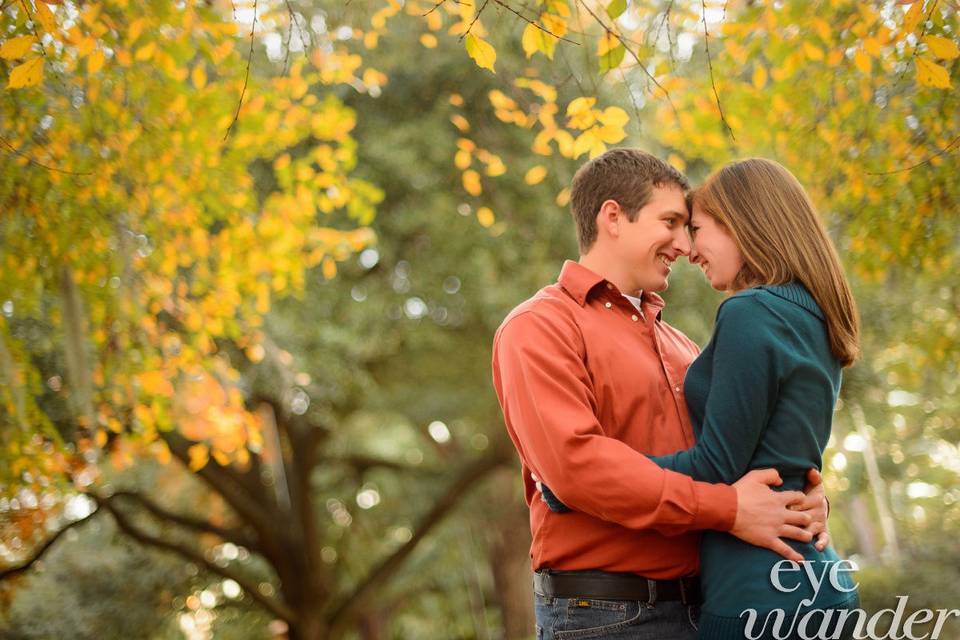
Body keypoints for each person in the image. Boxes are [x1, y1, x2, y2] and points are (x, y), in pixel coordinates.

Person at [491, 149, 829, 640]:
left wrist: (802, 497)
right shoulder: (539, 327)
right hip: (607, 615)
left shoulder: (684, 347)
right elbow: (576, 467)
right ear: (613, 217)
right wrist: (729, 509)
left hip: (713, 604)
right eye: (670, 221)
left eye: (688, 227)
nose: (685, 244)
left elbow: (738, 452)